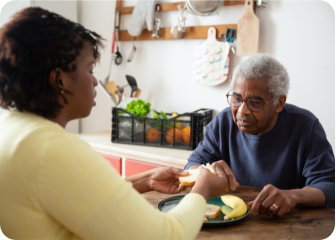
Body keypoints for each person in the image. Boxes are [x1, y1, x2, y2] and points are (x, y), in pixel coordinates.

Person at [0, 7, 229, 240]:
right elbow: (167, 235)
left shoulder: (13, 129)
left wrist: (146, 180)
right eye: (90, 69)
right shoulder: (51, 149)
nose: (95, 81)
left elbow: (85, 198)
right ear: (59, 80)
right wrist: (204, 188)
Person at [185, 53, 335, 218]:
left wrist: (293, 196)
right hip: (232, 221)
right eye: (237, 99)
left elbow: (329, 185)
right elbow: (192, 165)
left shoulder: (306, 127)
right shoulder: (223, 122)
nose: (242, 111)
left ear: (279, 103)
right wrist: (206, 172)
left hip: (288, 224)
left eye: (255, 103)